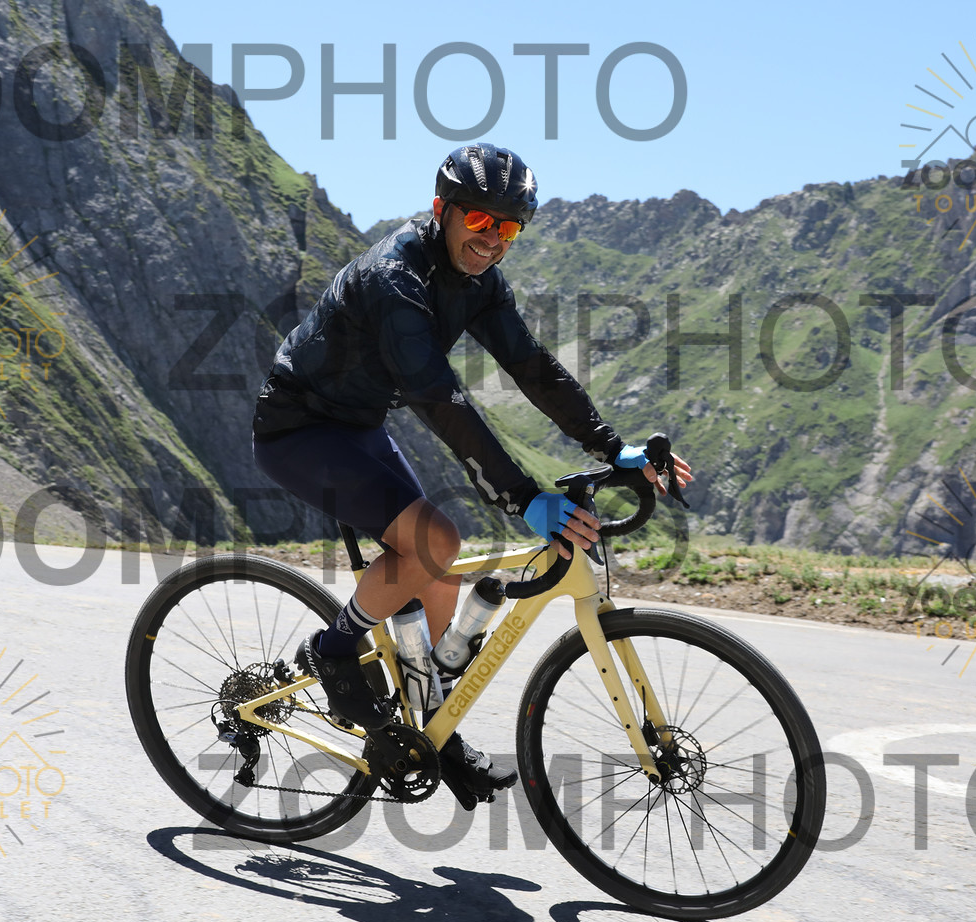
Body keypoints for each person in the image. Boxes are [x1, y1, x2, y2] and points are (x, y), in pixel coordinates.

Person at [252, 142, 691, 808]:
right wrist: (523, 498)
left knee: (438, 576)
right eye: (481, 221)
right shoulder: (396, 277)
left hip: (360, 426)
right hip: (298, 429)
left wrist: (612, 447)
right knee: (437, 541)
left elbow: (532, 367)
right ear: (442, 210)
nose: (493, 240)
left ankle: (432, 730)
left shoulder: (480, 280)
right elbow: (438, 398)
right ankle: (333, 649)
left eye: (509, 227)